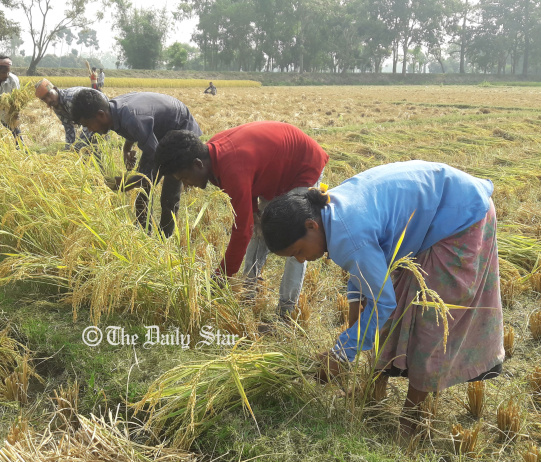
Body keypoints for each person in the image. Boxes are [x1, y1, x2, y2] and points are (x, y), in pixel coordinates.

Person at [260, 160, 505, 440]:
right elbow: (363, 274)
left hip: (461, 215)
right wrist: (351, 333)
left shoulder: (348, 232)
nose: (302, 260)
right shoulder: (329, 212)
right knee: (394, 302)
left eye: (298, 251)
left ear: (311, 225)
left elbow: (380, 301)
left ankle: (412, 417)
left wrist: (342, 353)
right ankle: (375, 390)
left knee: (430, 319)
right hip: (435, 212)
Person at [154, 122, 328, 321]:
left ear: (198, 164)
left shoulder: (231, 167)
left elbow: (242, 232)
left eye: (185, 178)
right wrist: (253, 211)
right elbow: (249, 196)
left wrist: (219, 279)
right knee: (260, 230)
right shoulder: (211, 156)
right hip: (274, 173)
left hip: (301, 165)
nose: (187, 185)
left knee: (296, 240)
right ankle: (248, 292)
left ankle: (286, 312)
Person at [71, 90, 202, 238]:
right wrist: (127, 148)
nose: (89, 130)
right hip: (159, 131)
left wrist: (124, 184)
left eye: (87, 125)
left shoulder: (130, 117)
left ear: (100, 115)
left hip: (180, 127)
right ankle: (143, 236)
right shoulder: (113, 112)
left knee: (169, 194)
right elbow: (138, 128)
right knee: (142, 192)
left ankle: (165, 239)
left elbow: (159, 158)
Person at [34, 78, 104, 152]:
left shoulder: (71, 99)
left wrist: (77, 148)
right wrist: (68, 150)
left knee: (96, 149)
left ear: (55, 89)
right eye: (44, 99)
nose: (48, 100)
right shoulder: (57, 105)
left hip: (103, 114)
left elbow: (89, 126)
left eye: (49, 95)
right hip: (93, 120)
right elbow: (69, 128)